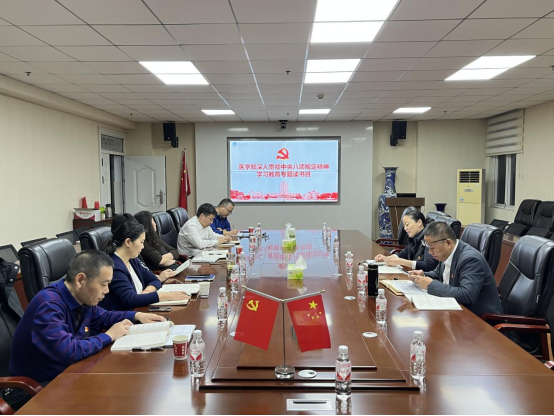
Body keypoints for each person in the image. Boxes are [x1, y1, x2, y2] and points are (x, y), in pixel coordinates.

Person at [7, 250, 165, 410]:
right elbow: (68, 351)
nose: (107, 290)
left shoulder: (81, 298)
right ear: (80, 279)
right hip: (36, 389)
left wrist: (136, 315)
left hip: (69, 374)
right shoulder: (48, 305)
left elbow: (104, 316)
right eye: (103, 284)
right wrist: (109, 336)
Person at [409, 222, 503, 316]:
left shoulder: (471, 259)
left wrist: (430, 285)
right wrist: (423, 275)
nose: (430, 252)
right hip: (457, 311)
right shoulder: (446, 253)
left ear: (448, 243)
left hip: (480, 319)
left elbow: (466, 295)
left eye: (432, 248)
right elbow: (438, 274)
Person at [100, 219, 189, 311]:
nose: (143, 247)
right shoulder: (115, 268)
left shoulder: (132, 260)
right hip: (126, 316)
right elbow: (130, 299)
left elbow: (155, 279)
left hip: (141, 309)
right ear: (128, 242)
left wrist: (147, 292)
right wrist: (165, 296)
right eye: (141, 242)